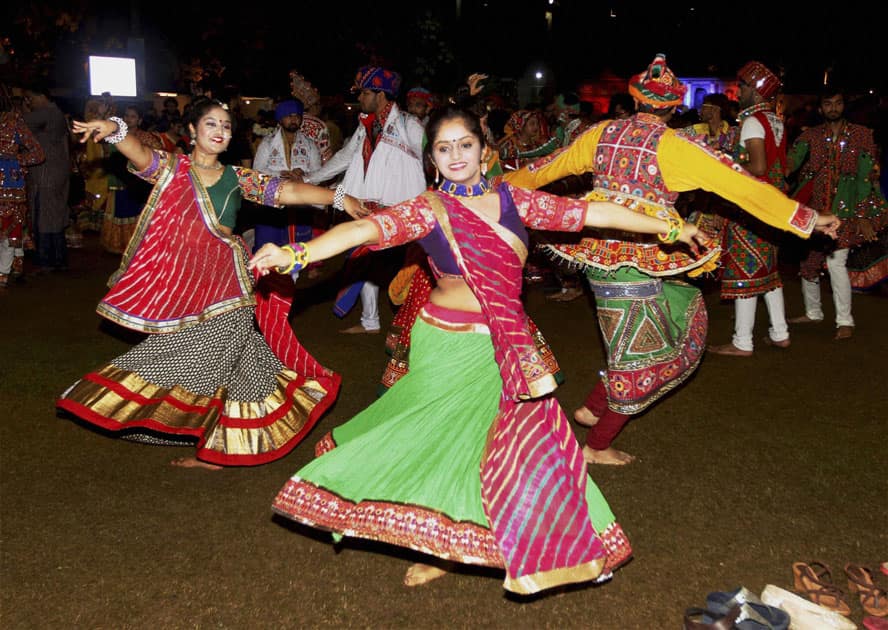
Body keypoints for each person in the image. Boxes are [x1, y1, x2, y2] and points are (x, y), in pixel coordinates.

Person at [249, 105, 710, 593]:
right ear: (432, 159)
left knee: (498, 447)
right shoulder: (426, 208)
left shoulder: (516, 201)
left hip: (502, 345)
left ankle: (470, 544)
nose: (455, 156)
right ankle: (434, 541)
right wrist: (296, 253)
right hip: (442, 343)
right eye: (443, 148)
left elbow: (592, 212)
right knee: (434, 439)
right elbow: (364, 230)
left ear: (484, 151)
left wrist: (671, 228)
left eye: (464, 145)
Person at [505, 54, 840, 465]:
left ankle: (593, 407)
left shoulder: (602, 134)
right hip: (636, 259)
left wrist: (492, 187)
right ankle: (596, 446)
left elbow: (544, 169)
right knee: (645, 353)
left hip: (602, 253)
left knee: (682, 307)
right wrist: (807, 218)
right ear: (673, 106)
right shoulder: (678, 147)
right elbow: (744, 188)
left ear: (635, 98)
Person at [57, 97, 357, 469]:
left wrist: (340, 198)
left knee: (211, 362)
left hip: (228, 286)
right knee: (238, 367)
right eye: (211, 124)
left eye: (227, 126)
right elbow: (139, 153)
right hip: (184, 289)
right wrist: (114, 130)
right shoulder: (171, 168)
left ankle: (217, 448)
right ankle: (229, 440)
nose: (220, 131)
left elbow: (288, 192)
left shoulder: (236, 178)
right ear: (192, 132)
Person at [302, 65, 426, 334]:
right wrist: (310, 180)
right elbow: (345, 158)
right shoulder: (364, 126)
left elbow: (431, 156)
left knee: (412, 268)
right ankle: (370, 321)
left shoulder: (408, 125)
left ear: (380, 94)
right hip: (368, 208)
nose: (359, 98)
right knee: (364, 262)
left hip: (404, 212)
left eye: (364, 93)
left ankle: (419, 321)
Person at [785, 87, 888, 339]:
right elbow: (790, 164)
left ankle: (845, 320)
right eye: (828, 104)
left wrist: (863, 215)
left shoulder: (862, 135)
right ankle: (813, 313)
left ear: (844, 105)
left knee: (836, 262)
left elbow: (866, 177)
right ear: (820, 108)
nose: (833, 108)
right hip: (815, 208)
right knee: (808, 260)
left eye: (838, 103)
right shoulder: (809, 136)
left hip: (848, 208)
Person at [708, 61, 794, 357]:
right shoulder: (775, 120)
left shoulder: (753, 121)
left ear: (756, 92)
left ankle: (742, 341)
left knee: (745, 269)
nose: (739, 91)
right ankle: (780, 332)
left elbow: (758, 166)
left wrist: (725, 164)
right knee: (768, 268)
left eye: (743, 86)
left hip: (753, 206)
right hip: (772, 203)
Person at [252, 99, 322, 249]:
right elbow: (257, 170)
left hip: (300, 200)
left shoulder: (309, 144)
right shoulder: (268, 143)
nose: (294, 119)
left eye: (297, 116)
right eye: (289, 115)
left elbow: (318, 172)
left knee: (300, 242)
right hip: (273, 200)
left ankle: (298, 269)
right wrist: (281, 173)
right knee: (269, 241)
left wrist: (303, 174)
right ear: (280, 119)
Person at [0, 84, 45, 289]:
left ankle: (4, 272)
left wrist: (14, 159)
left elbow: (38, 153)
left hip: (11, 184)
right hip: (10, 183)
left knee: (10, 229)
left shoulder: (14, 122)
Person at [23, 83, 70, 272]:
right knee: (54, 216)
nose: (29, 102)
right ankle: (57, 260)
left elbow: (17, 124)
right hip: (54, 173)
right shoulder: (55, 113)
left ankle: (46, 260)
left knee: (44, 216)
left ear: (42, 96)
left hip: (47, 175)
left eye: (30, 98)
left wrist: (23, 110)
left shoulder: (47, 112)